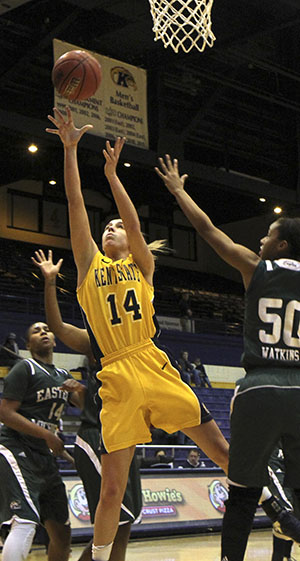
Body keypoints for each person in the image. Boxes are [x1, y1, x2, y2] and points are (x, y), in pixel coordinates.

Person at [46, 107, 230, 561]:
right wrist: (70, 151)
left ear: (133, 241)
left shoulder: (142, 266)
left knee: (221, 449)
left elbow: (130, 223)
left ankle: (275, 503)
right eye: (105, 227)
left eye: (117, 228)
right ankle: (101, 554)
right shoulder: (89, 268)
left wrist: (113, 176)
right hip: (117, 376)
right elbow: (74, 207)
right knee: (111, 493)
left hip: (151, 360)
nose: (110, 229)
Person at [155, 153, 300, 561]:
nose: (260, 240)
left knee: (242, 491)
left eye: (268, 234)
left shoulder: (255, 267)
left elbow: (207, 228)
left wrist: (179, 191)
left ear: (282, 244)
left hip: (260, 387)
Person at [32, 248, 143, 561]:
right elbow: (58, 326)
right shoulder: (99, 338)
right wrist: (51, 282)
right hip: (99, 438)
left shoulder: (141, 332)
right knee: (110, 529)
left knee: (121, 529)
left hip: (127, 438)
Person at [0, 321, 85, 561]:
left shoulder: (63, 376)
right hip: (15, 448)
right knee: (25, 522)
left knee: (61, 532)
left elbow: (88, 409)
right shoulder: (24, 368)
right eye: (36, 331)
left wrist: (80, 389)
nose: (43, 332)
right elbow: (5, 413)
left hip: (44, 456)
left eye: (46, 329)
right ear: (28, 345)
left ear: (55, 340)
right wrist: (47, 435)